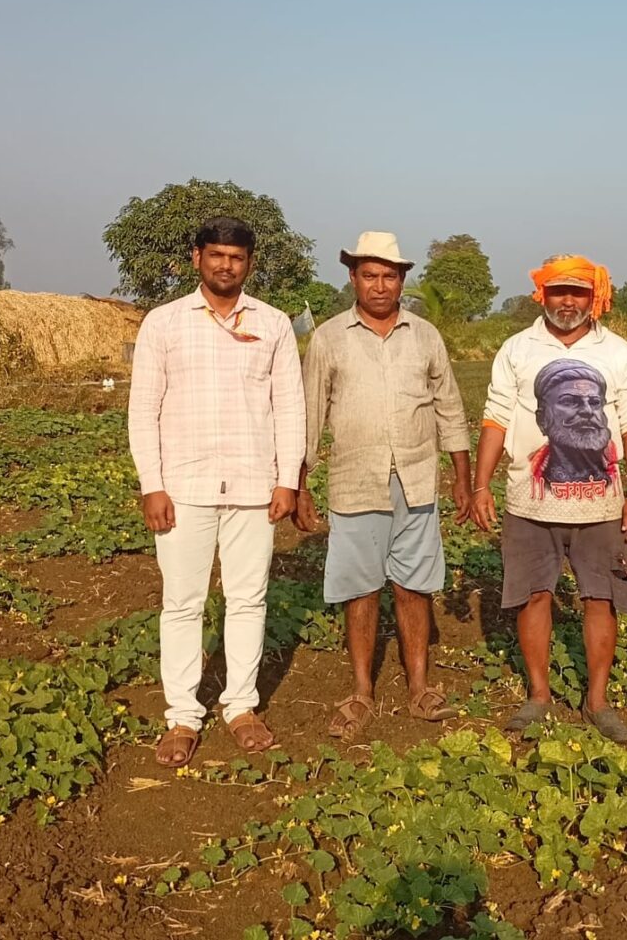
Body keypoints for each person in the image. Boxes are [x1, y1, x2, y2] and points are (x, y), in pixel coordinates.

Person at [128, 216, 305, 767]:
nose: (226, 265)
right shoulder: (164, 323)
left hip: (254, 485)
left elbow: (289, 407)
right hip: (183, 486)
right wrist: (152, 486)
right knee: (182, 603)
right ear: (196, 258)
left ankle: (241, 706)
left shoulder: (273, 324)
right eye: (217, 255)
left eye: (237, 257)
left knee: (248, 599)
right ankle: (182, 715)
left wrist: (286, 478)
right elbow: (143, 410)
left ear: (250, 264)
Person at [293, 231, 471, 739]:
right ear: (352, 277)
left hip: (416, 478)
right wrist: (300, 484)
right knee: (361, 587)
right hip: (355, 479)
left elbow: (449, 407)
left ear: (401, 280)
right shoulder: (329, 338)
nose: (378, 285)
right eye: (368, 275)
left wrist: (461, 476)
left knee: (414, 585)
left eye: (388, 276)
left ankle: (419, 686)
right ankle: (361, 691)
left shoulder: (425, 335)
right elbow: (311, 414)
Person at [472, 254, 627, 742]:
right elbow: (496, 418)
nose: (568, 301)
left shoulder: (618, 353)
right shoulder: (517, 349)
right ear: (541, 295)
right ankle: (539, 696)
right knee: (534, 596)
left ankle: (597, 701)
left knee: (601, 598)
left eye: (579, 293)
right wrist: (481, 484)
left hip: (603, 505)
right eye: (558, 292)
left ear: (595, 299)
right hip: (529, 505)